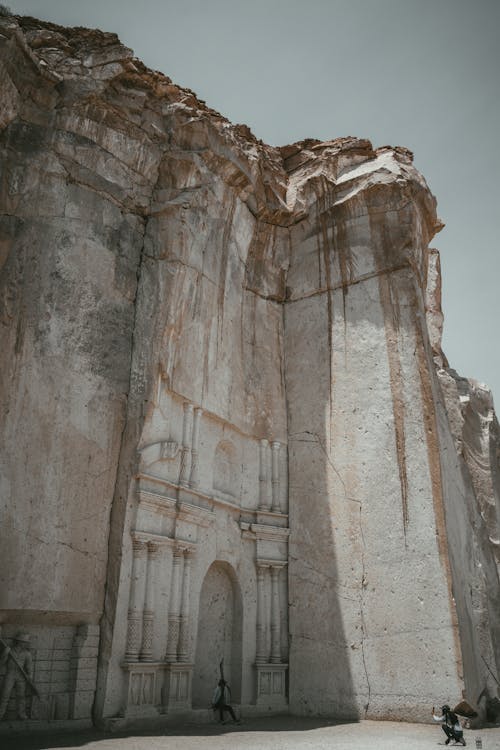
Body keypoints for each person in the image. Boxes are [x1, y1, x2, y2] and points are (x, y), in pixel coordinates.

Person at [0, 633, 33, 720]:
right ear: (19, 642)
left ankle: (22, 715)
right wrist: (5, 654)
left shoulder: (27, 654)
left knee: (21, 696)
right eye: (25, 642)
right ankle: (0, 714)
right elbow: (1, 663)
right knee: (5, 695)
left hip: (21, 676)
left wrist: (29, 676)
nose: (26, 644)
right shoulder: (9, 650)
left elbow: (29, 667)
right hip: (10, 674)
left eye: (26, 642)